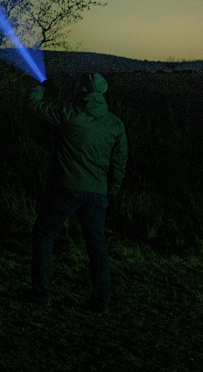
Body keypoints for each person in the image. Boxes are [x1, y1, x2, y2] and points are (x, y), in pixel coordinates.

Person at [26, 71, 128, 312]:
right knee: (96, 246)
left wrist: (41, 87)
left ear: (81, 90)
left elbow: (33, 107)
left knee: (43, 234)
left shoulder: (68, 115)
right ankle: (101, 301)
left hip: (65, 188)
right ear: (103, 91)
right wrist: (110, 190)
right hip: (97, 193)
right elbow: (120, 161)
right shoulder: (115, 124)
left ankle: (41, 293)